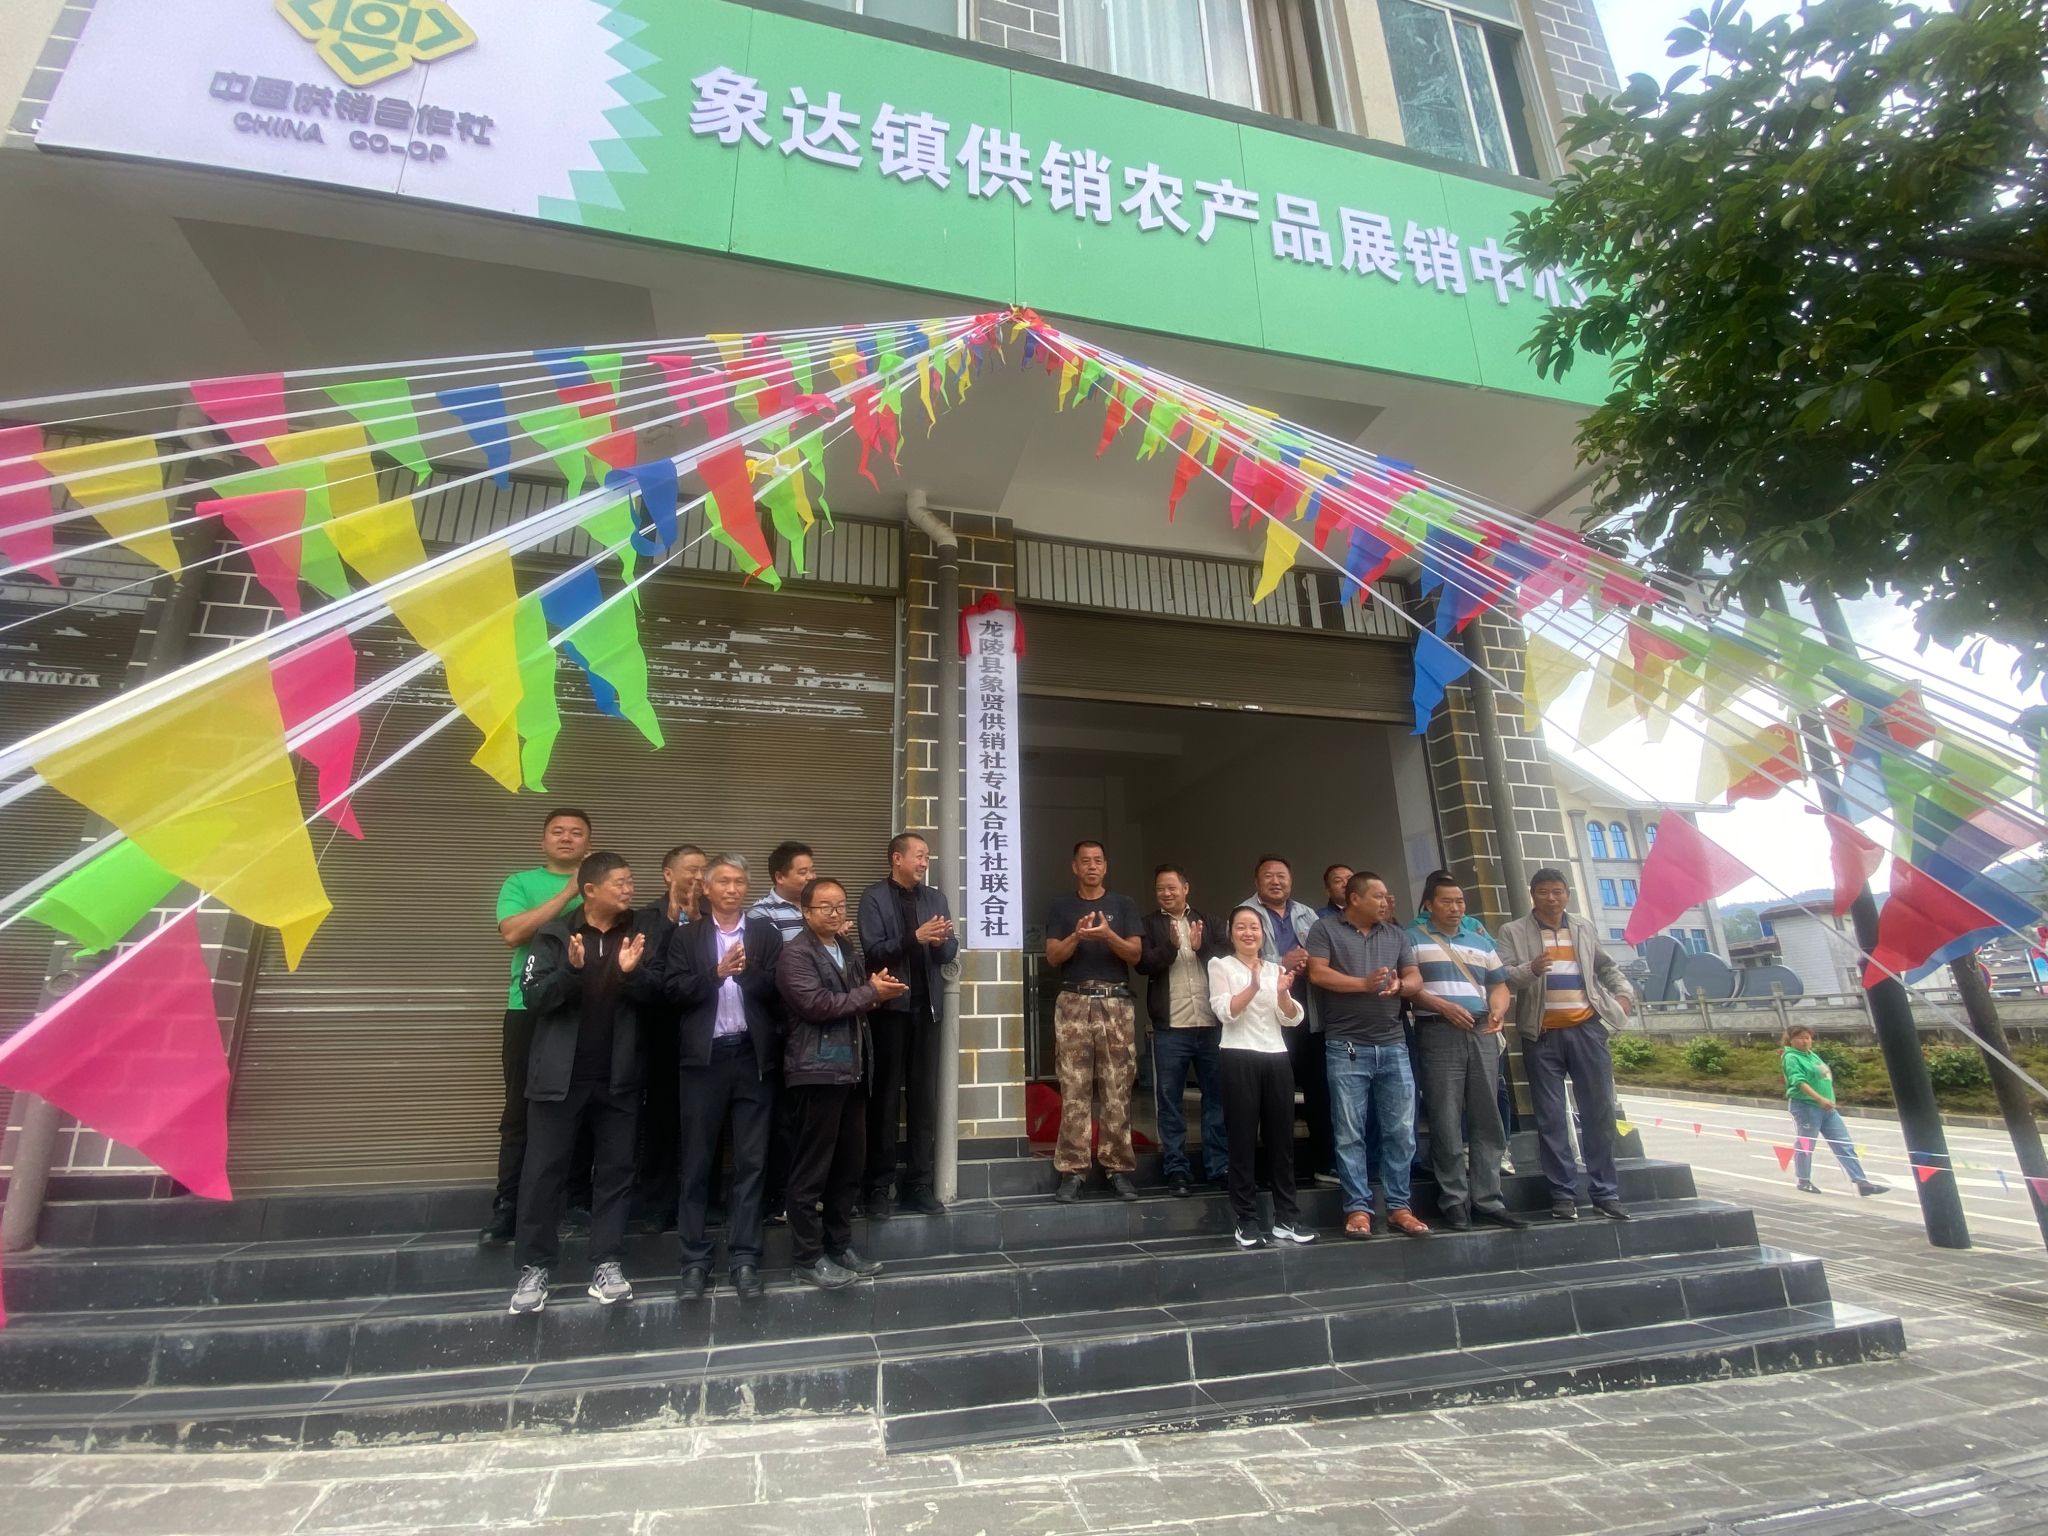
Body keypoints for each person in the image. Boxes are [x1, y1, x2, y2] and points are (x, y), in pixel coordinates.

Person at [507, 852, 666, 1315]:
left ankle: (607, 1263)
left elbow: (659, 992)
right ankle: (534, 1268)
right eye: (620, 882)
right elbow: (534, 998)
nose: (629, 889)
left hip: (619, 1076)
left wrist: (631, 975)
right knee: (543, 1173)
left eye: (630, 881)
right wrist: (571, 971)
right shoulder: (555, 934)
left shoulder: (641, 931)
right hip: (559, 1078)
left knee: (616, 1171)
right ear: (590, 889)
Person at [663, 854, 784, 1301]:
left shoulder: (765, 933)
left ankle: (745, 1258)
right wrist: (715, 975)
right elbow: (672, 991)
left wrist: (747, 974)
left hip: (752, 1058)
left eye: (739, 882)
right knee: (697, 1161)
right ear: (707, 888)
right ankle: (693, 1261)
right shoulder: (687, 936)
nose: (733, 889)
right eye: (724, 882)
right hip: (704, 1060)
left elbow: (779, 991)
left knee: (752, 1163)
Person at [776, 877, 906, 1289]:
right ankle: (806, 1257)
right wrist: (871, 993)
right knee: (812, 1169)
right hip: (817, 1071)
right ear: (805, 912)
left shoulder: (846, 948)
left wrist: (877, 989)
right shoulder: (795, 955)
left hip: (852, 1070)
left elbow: (857, 997)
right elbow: (817, 1005)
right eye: (825, 907)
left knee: (848, 1166)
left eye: (839, 906)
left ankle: (840, 1245)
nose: (834, 914)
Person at [1498, 869, 1635, 1222]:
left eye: (1557, 891)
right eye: (1544, 892)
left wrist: (1623, 995)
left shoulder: (1583, 927)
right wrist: (1532, 968)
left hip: (1586, 1029)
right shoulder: (1513, 931)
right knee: (1550, 1117)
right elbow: (1503, 976)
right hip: (1541, 1034)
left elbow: (1606, 967)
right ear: (1532, 895)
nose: (1551, 898)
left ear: (1567, 895)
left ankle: (1606, 1192)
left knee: (1599, 1111)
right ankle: (1562, 1195)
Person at [485, 807, 593, 1247]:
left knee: (581, 1106)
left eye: (576, 833)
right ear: (542, 840)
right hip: (527, 1010)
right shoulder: (520, 883)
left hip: (583, 1011)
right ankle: (508, 1205)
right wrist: (570, 891)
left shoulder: (600, 885)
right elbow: (512, 933)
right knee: (519, 1111)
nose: (567, 838)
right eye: (558, 831)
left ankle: (576, 1201)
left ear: (588, 843)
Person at [1306, 872, 1428, 1238]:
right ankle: (1357, 1209)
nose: (1386, 901)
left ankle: (1399, 1207)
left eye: (1387, 895)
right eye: (1378, 895)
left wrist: (1401, 985)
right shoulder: (1325, 929)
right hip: (1346, 1046)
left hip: (1393, 1043)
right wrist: (1363, 984)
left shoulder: (1396, 934)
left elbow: (1415, 977)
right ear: (1355, 898)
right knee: (1349, 1133)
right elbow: (1318, 974)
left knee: (1401, 1131)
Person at [1408, 877, 1527, 1232]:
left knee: (1487, 1114)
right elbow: (1408, 987)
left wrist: (1499, 1010)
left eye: (1460, 901)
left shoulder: (1480, 941)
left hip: (1481, 1031)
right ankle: (1454, 1201)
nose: (1456, 907)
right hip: (1438, 1031)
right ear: (1429, 905)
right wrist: (1443, 1007)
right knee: (1444, 1116)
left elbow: (1498, 985)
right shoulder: (1411, 938)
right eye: (1447, 901)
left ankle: (1488, 1200)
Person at [856, 832, 958, 1217]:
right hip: (888, 1011)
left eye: (927, 856)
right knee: (883, 1099)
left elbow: (949, 950)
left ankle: (919, 1183)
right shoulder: (873, 898)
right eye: (918, 856)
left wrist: (940, 943)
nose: (924, 862)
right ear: (896, 859)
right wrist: (915, 937)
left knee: (923, 1099)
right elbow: (873, 952)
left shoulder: (935, 899)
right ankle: (878, 1186)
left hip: (927, 1010)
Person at [1208, 906, 1316, 1250]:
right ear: (1231, 933)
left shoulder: (1276, 969)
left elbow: (1291, 1019)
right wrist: (1254, 986)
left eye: (1254, 927)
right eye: (1241, 927)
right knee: (1242, 1140)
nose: (1248, 933)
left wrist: (1281, 992)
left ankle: (1287, 1218)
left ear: (1263, 933)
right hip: (1238, 1055)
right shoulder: (1220, 966)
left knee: (1282, 1141)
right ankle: (1246, 1220)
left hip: (1276, 1056)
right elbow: (1226, 1011)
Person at [1043, 840, 1144, 1202]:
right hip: (1074, 1001)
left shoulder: (1123, 904)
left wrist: (1107, 935)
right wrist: (1077, 935)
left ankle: (1118, 1168)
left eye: (1098, 861)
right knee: (1074, 1088)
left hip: (1115, 1002)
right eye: (1085, 861)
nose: (1092, 866)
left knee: (1118, 1088)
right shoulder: (1061, 906)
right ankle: (1073, 1170)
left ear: (1106, 866)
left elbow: (1135, 953)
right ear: (1075, 867)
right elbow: (1053, 956)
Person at [1136, 865, 1228, 1197]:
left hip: (1210, 1025)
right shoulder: (1148, 924)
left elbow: (1228, 961)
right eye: (1160, 888)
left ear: (1186, 888)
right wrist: (1171, 947)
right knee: (1169, 1100)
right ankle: (1176, 1168)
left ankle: (1219, 1166)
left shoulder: (1209, 921)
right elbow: (1142, 964)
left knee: (1216, 1099)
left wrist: (1202, 947)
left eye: (1172, 887)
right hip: (1171, 1027)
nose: (1166, 893)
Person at [1243, 857, 1333, 1187]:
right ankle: (1274, 1170)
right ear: (1257, 882)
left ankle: (1325, 1163)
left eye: (1281, 876)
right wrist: (1282, 961)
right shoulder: (1245, 914)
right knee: (1272, 1097)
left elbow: (1324, 955)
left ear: (1291, 881)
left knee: (1319, 1091)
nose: (1275, 881)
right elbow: (1241, 961)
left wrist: (1311, 963)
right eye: (1268, 876)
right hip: (1266, 1020)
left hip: (1307, 1013)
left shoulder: (1307, 914)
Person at [631, 843, 703, 1233]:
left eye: (703, 870)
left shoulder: (715, 915)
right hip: (660, 1033)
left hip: (705, 1030)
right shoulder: (646, 916)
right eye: (691, 869)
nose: (698, 877)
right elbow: (645, 972)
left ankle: (704, 1201)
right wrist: (675, 920)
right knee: (660, 1119)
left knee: (703, 1122)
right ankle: (657, 1205)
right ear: (668, 874)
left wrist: (698, 920)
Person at [750, 840, 815, 1224]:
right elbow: (772, 973)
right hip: (781, 1029)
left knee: (807, 1117)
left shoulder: (813, 909)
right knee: (782, 1118)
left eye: (812, 870)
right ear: (779, 876)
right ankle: (778, 1198)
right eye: (803, 872)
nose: (810, 877)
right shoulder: (761, 914)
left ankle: (804, 1194)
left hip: (815, 1027)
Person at [1781, 1026, 1890, 1197]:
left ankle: (1861, 1182)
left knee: (1843, 1143)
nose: (1805, 1041)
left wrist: (1829, 1098)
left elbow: (1823, 1077)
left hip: (1827, 1107)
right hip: (1807, 1106)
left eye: (1807, 1037)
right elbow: (1799, 1082)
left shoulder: (1812, 1055)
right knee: (1806, 1144)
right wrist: (1820, 1099)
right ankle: (1803, 1180)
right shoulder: (1791, 1057)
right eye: (1800, 1038)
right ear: (1790, 1040)